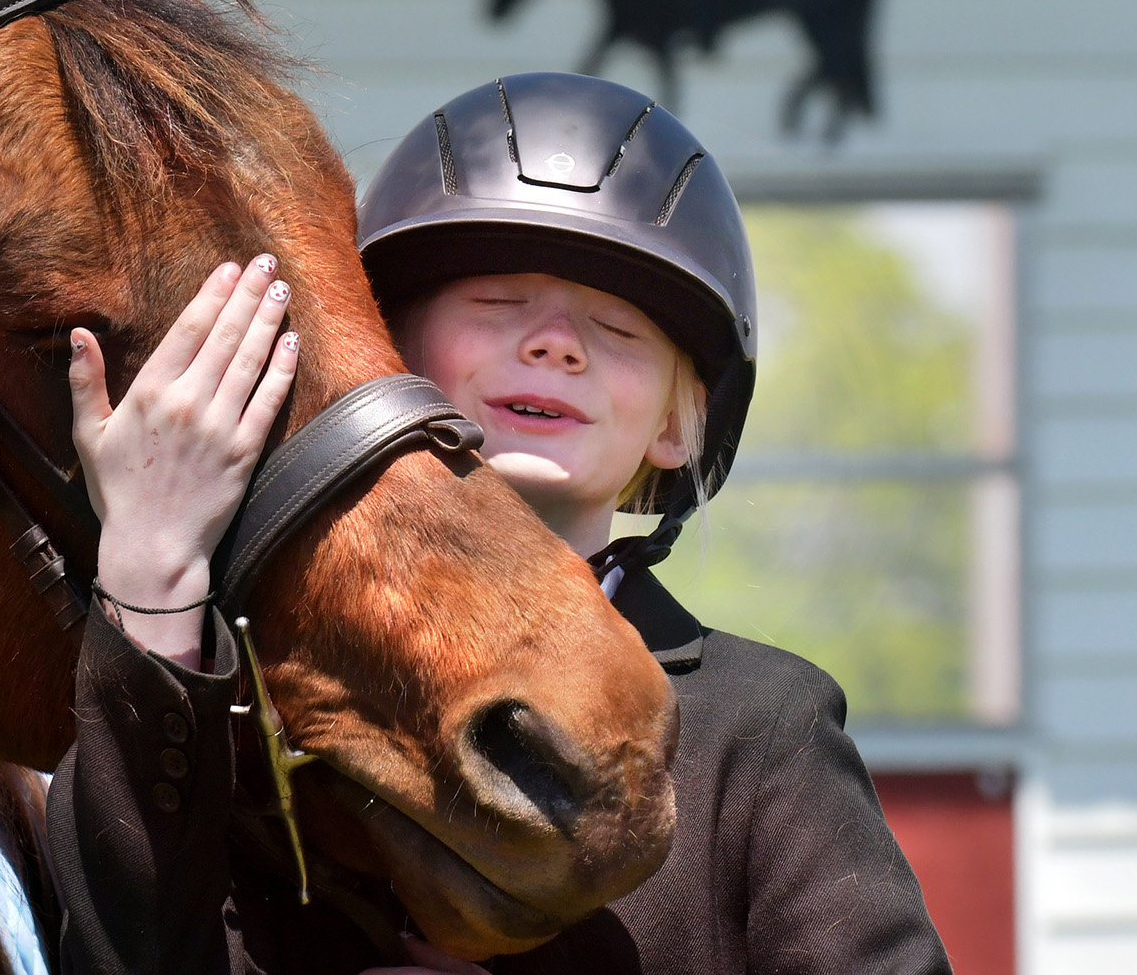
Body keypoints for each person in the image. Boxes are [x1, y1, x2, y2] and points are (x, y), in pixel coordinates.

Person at [48, 71, 950, 974]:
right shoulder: (235, 719)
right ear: (384, 351)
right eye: (498, 304)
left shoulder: (767, 731)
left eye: (617, 326)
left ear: (678, 424)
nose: (555, 341)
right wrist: (152, 571)